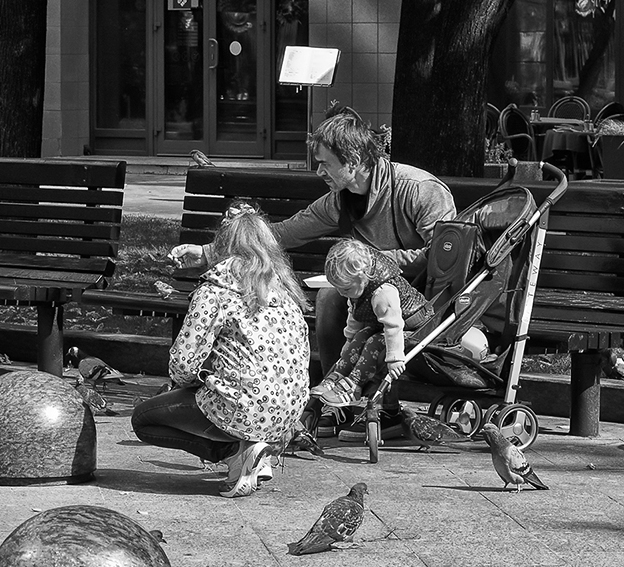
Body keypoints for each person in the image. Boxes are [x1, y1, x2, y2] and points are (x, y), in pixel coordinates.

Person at [172, 103, 456, 441]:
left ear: (353, 160)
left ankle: (375, 405)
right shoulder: (341, 198)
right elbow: (283, 233)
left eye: (325, 163)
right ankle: (337, 398)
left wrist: (373, 262)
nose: (319, 171)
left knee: (346, 298)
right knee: (329, 297)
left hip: (422, 302)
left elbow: (441, 256)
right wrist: (207, 253)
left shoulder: (419, 190)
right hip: (370, 293)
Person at [131, 199, 310, 498]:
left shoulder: (215, 291)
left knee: (143, 419)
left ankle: (236, 454)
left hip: (242, 407)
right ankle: (257, 451)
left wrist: (194, 381)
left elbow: (183, 365)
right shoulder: (286, 292)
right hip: (289, 413)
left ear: (220, 247)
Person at [308, 238, 432, 409]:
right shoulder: (356, 288)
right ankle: (337, 376)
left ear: (363, 276)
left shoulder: (383, 293)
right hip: (383, 324)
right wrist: (349, 342)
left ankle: (354, 385)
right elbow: (355, 314)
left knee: (374, 342)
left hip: (414, 327)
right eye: (338, 288)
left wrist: (395, 358)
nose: (342, 293)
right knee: (360, 336)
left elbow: (393, 326)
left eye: (346, 289)